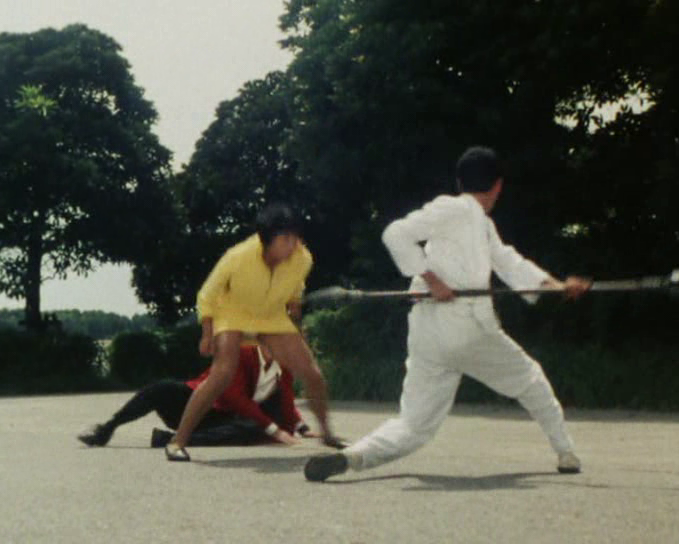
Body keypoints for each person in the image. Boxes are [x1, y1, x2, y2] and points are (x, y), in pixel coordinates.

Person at [305, 146, 591, 482]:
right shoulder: (454, 209)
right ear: (498, 186)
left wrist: (557, 286)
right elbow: (395, 233)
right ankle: (566, 452)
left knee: (414, 425)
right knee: (531, 380)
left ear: (460, 181)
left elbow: (509, 262)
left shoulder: (480, 224)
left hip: (428, 333)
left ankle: (353, 456)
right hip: (467, 329)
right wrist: (432, 279)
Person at [166, 203, 343, 461]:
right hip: (233, 312)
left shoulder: (303, 258)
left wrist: (295, 316)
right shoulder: (238, 256)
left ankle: (327, 434)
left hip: (271, 316)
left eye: (295, 237)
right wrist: (207, 332)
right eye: (285, 239)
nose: (292, 245)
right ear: (266, 239)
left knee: (312, 373)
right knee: (222, 374)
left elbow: (296, 290)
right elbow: (207, 294)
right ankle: (177, 442)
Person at [77, 345, 319, 448]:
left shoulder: (282, 368)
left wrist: (302, 427)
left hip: (223, 420)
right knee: (161, 389)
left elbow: (286, 399)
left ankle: (174, 440)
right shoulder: (241, 355)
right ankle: (106, 429)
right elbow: (232, 396)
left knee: (250, 428)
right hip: (198, 405)